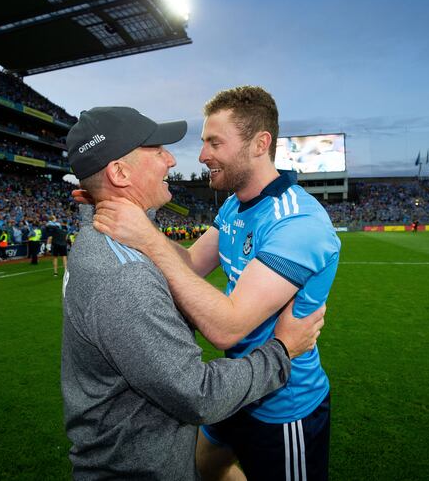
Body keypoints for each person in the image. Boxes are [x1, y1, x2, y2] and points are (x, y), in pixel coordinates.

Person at [87, 87, 341, 480]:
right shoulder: (234, 204)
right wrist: (132, 218)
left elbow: (227, 326)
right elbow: (188, 263)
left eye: (214, 142)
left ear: (260, 144)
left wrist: (148, 237)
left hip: (283, 404)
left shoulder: (298, 222)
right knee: (203, 471)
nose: (203, 155)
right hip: (236, 386)